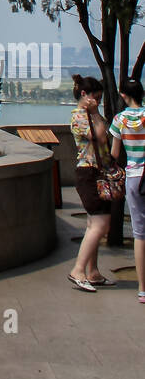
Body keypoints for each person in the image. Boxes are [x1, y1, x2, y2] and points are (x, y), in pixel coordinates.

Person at [69, 75, 116, 291]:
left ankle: (93, 272)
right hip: (89, 174)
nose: (98, 102)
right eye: (96, 98)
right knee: (100, 224)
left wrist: (96, 114)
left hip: (96, 172)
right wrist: (96, 113)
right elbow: (101, 136)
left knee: (92, 225)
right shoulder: (79, 117)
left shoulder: (88, 115)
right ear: (84, 95)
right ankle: (78, 270)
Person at [110, 78, 145, 304]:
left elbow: (114, 154)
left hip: (133, 177)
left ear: (123, 95)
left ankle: (143, 288)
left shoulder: (119, 120)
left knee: (139, 234)